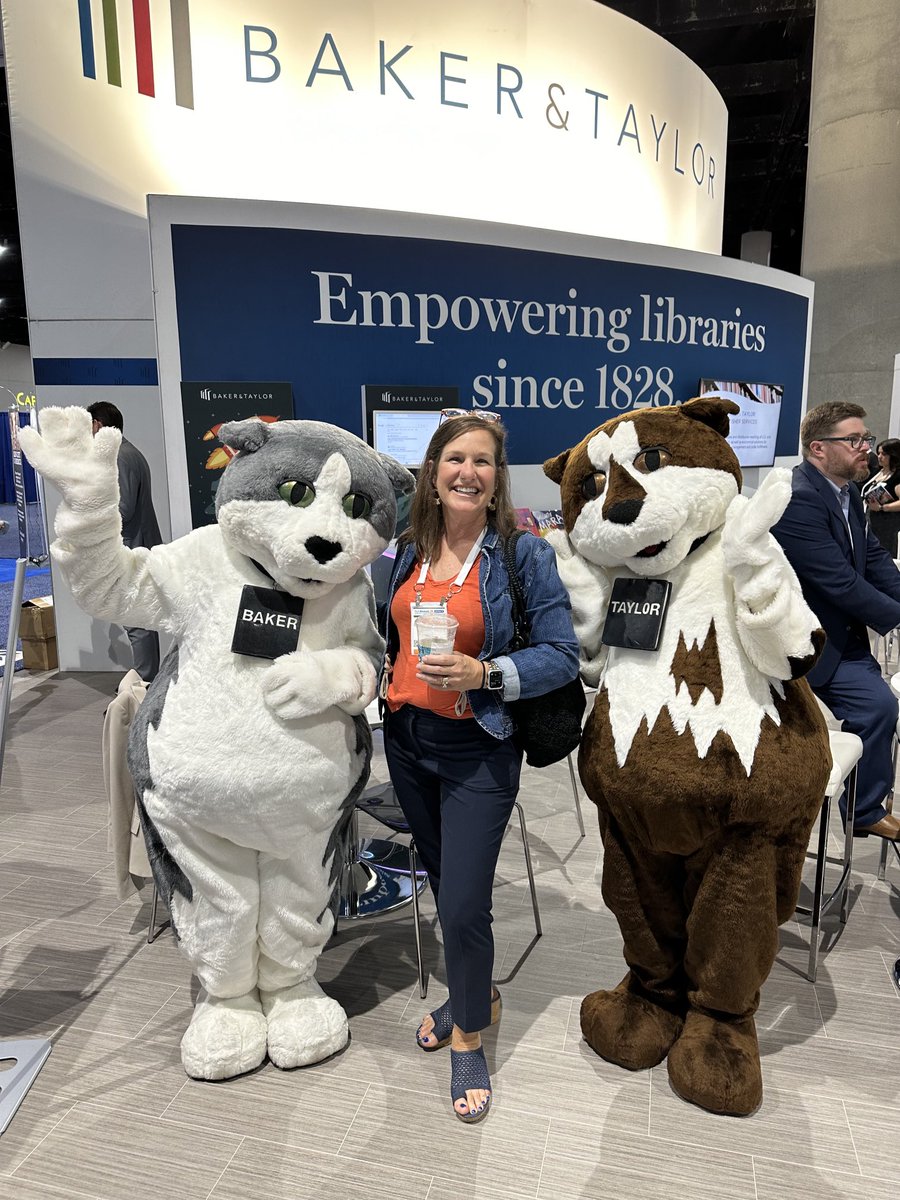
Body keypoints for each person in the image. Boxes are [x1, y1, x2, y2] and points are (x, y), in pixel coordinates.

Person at [379, 413, 579, 1124]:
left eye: (483, 461)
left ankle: (469, 1035)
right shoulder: (408, 549)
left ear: (497, 477)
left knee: (464, 902)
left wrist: (486, 671)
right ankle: (476, 992)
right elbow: (391, 632)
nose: (468, 472)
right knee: (441, 885)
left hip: (478, 747)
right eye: (455, 459)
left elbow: (562, 656)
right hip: (405, 740)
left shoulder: (523, 556)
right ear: (433, 472)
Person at [772, 400, 900, 841]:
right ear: (818, 448)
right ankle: (859, 809)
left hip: (844, 638)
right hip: (806, 644)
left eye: (865, 438)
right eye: (854, 440)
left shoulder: (846, 493)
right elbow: (840, 582)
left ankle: (862, 807)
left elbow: (875, 560)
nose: (865, 446)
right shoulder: (797, 498)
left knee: (882, 707)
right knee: (879, 706)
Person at [87, 401, 163, 681]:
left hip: (131, 548)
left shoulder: (119, 455)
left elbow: (125, 508)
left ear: (97, 424)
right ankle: (147, 681)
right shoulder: (131, 452)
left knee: (135, 619)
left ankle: (144, 682)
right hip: (138, 545)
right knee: (140, 618)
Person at [861, 438, 900, 556]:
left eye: (884, 454)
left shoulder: (897, 476)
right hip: (871, 519)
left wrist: (883, 507)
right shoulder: (879, 471)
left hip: (887, 524)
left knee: (882, 554)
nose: (879, 456)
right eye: (878, 453)